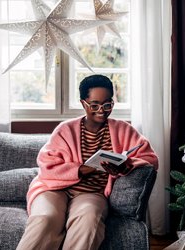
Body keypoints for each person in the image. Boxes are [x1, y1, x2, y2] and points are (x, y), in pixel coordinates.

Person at [16, 74, 158, 250]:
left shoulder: (123, 130)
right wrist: (82, 169)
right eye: (95, 105)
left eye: (107, 104)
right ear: (84, 104)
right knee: (45, 218)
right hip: (53, 190)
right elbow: (46, 164)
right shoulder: (65, 129)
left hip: (92, 194)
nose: (102, 110)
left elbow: (150, 158)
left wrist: (126, 166)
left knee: (89, 218)